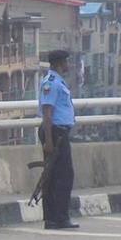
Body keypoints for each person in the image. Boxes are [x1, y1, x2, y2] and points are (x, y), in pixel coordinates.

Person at [38, 50, 79, 230]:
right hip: (55, 133)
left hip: (58, 132)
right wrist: (48, 140)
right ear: (59, 63)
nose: (68, 65)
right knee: (62, 176)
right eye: (66, 62)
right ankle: (59, 218)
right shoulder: (51, 83)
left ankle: (54, 218)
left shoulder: (57, 82)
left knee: (55, 176)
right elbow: (47, 114)